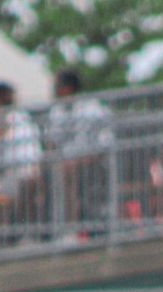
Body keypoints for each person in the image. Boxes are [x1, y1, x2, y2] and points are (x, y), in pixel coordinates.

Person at [44, 70, 115, 233]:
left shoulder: (92, 109)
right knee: (42, 174)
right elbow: (52, 143)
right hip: (66, 164)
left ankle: (70, 229)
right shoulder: (57, 111)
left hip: (95, 164)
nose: (54, 91)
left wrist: (80, 161)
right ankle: (46, 230)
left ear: (67, 88)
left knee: (67, 172)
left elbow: (105, 145)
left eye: (57, 86)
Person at [0, 81, 42, 239]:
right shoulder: (22, 116)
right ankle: (6, 234)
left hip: (18, 174)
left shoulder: (6, 117)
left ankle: (0, 237)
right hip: (26, 172)